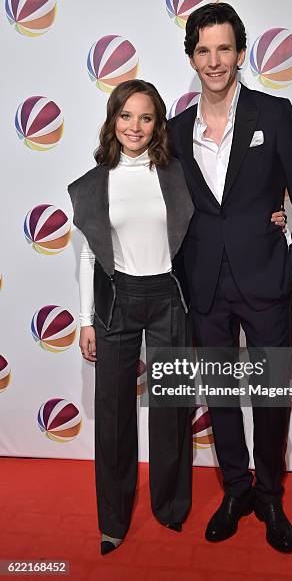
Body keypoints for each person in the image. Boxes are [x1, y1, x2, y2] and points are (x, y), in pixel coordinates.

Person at [168, 3, 292, 553]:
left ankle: (270, 494)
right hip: (204, 286)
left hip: (266, 283)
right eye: (203, 50)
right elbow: (171, 209)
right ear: (192, 56)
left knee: (270, 393)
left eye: (224, 49)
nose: (214, 61)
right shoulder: (174, 129)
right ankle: (235, 490)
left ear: (240, 53)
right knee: (221, 394)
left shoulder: (273, 115)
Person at [67, 80, 196, 555]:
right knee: (114, 416)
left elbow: (215, 224)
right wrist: (85, 320)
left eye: (145, 117)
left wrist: (272, 217)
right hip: (115, 302)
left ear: (157, 123)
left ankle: (170, 507)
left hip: (169, 298)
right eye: (126, 116)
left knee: (172, 409)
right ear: (112, 120)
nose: (134, 127)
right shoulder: (92, 183)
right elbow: (88, 257)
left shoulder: (179, 176)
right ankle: (113, 521)